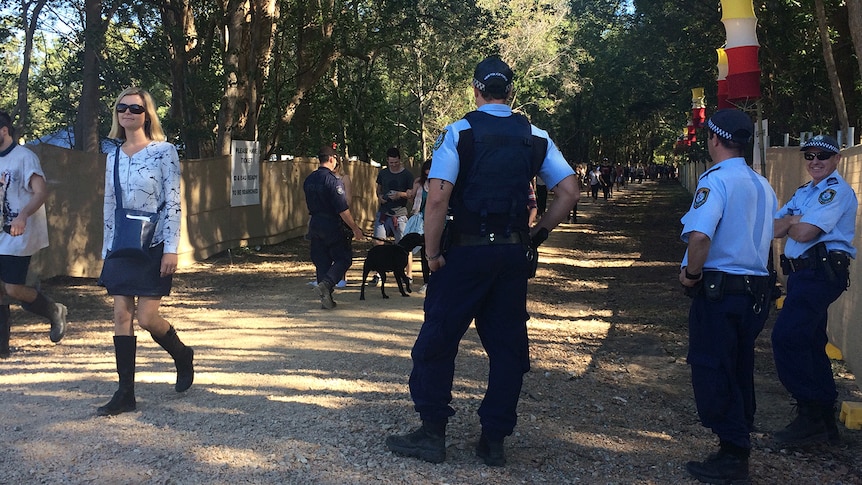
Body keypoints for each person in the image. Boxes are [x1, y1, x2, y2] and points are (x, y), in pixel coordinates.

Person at [385, 56, 579, 467]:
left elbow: (437, 199)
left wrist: (433, 253)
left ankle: (432, 433)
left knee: (438, 340)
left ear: (475, 90)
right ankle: (494, 440)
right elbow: (569, 191)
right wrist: (536, 235)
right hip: (511, 254)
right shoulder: (536, 135)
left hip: (465, 253)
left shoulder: (459, 133)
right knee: (508, 349)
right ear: (511, 91)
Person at [678, 109, 778, 484]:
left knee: (712, 367)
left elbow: (701, 236)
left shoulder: (716, 181)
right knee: (739, 367)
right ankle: (737, 439)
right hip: (754, 292)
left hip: (721, 291)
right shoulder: (761, 184)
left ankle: (733, 454)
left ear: (714, 140)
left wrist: (691, 274)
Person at [96, 87, 194, 416]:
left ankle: (182, 354)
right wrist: (106, 250)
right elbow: (110, 204)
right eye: (122, 107)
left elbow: (173, 202)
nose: (128, 113)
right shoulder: (113, 155)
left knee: (146, 317)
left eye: (135, 108)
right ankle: (125, 393)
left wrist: (171, 249)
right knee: (121, 315)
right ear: (117, 113)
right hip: (123, 243)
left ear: (146, 114)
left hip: (154, 243)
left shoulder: (163, 151)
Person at [771, 134, 857, 447]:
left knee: (786, 338)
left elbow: (805, 232)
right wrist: (794, 219)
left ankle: (810, 414)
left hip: (819, 274)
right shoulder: (805, 192)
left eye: (823, 155)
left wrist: (792, 221)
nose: (815, 161)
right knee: (810, 341)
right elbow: (772, 227)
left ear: (836, 160)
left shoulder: (834, 191)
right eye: (809, 155)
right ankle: (823, 421)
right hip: (802, 276)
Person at [0, 110, 69, 359]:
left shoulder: (24, 157)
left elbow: (41, 192)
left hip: (20, 231)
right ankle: (2, 347)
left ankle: (53, 311)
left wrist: (22, 216)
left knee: (13, 288)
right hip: (1, 229)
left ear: (4, 131)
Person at [304, 145, 364, 309]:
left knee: (321, 261)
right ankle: (328, 283)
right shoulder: (332, 180)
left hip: (315, 224)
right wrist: (355, 228)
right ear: (331, 159)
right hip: (331, 224)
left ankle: (326, 299)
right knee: (343, 259)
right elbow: (343, 209)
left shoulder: (309, 179)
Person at [371, 147, 414, 285]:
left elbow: (412, 194)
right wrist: (380, 197)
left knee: (403, 245)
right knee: (378, 243)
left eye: (396, 162)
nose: (393, 165)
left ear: (399, 160)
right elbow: (378, 189)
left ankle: (408, 274)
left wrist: (400, 195)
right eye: (391, 163)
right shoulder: (383, 173)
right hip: (384, 213)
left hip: (400, 214)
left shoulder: (407, 175)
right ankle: (378, 273)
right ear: (387, 161)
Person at [410, 159, 432, 294]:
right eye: (427, 170)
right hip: (422, 221)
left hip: (437, 222)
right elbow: (412, 198)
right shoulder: (419, 183)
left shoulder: (440, 183)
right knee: (424, 253)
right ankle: (426, 282)